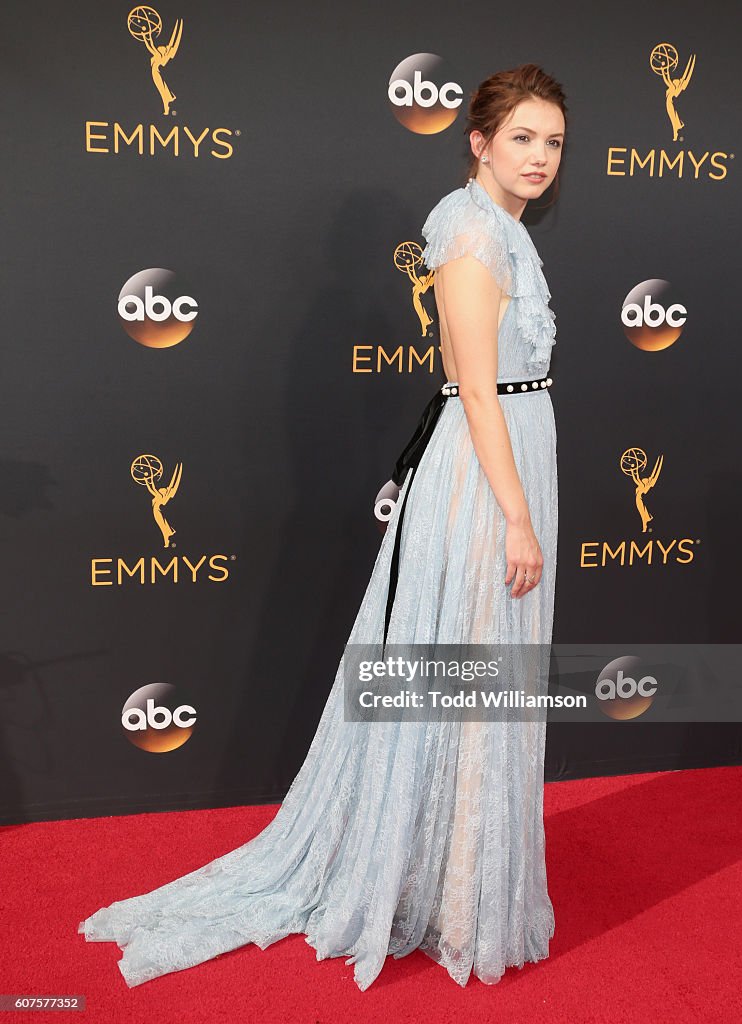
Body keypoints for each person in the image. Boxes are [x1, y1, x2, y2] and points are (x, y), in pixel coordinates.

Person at [78, 62, 567, 992]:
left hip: (515, 457)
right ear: (479, 141)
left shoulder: (505, 230)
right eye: (522, 139)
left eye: (552, 143)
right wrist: (516, 516)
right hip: (483, 475)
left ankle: (458, 887)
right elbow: (474, 388)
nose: (539, 158)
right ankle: (446, 894)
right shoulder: (468, 233)